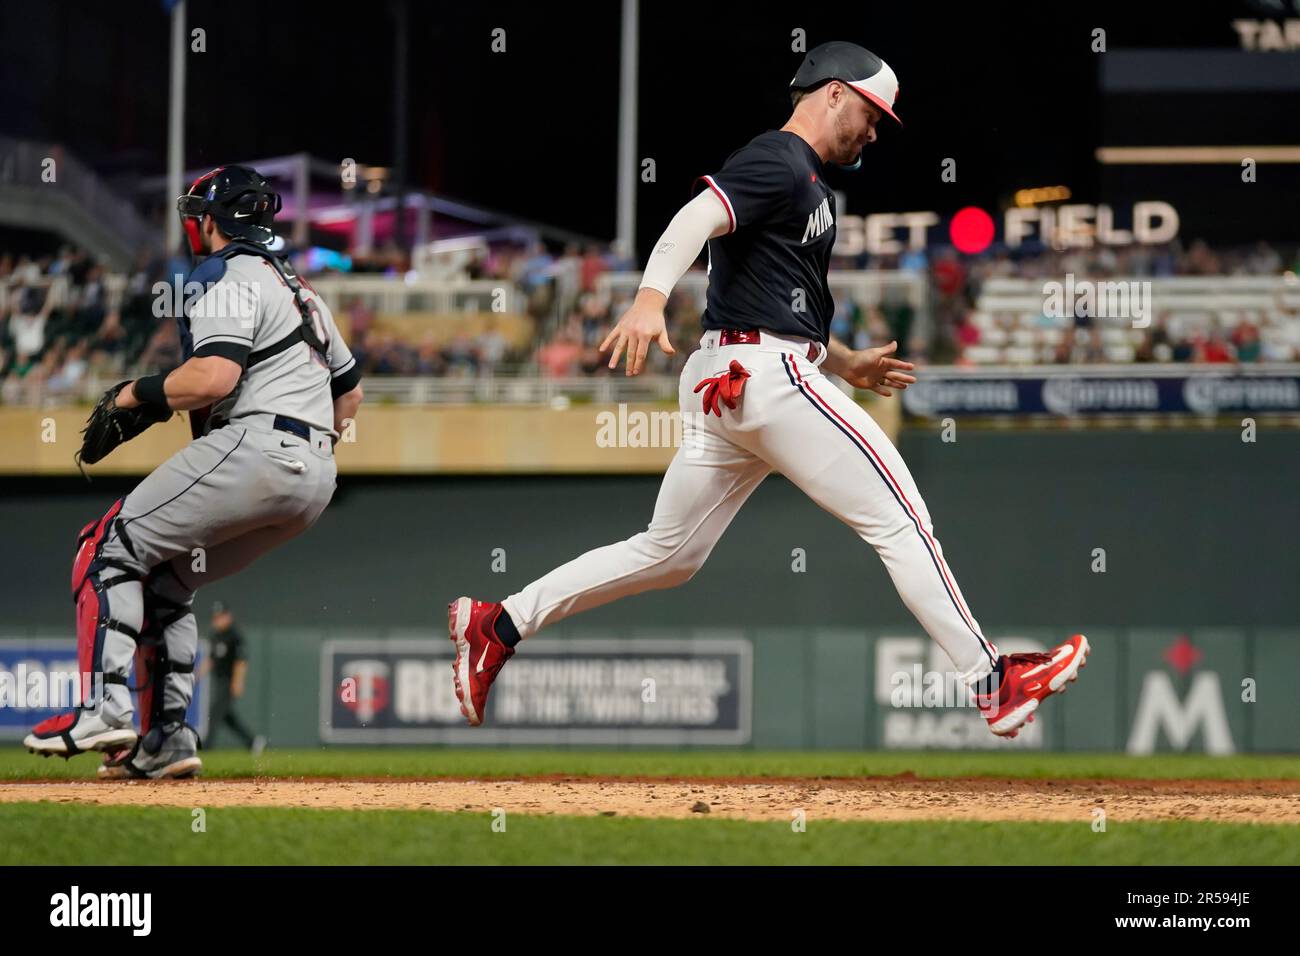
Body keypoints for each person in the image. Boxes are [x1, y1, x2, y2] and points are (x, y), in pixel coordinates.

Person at [447, 41, 1088, 736]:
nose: (875, 131)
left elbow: (773, 303)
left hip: (734, 380)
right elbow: (695, 217)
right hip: (764, 380)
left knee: (668, 555)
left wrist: (842, 363)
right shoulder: (778, 158)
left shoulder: (808, 183)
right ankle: (992, 681)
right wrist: (649, 299)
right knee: (901, 520)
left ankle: (499, 624)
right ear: (834, 91)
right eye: (873, 113)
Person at [25, 165, 363, 778]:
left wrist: (133, 393)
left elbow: (213, 379)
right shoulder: (301, 289)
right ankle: (168, 741)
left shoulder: (225, 274)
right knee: (163, 584)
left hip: (261, 445)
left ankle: (102, 709)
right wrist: (306, 447)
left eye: (196, 215)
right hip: (314, 476)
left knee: (103, 550)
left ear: (209, 221)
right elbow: (351, 395)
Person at [198, 601, 266, 754]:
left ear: (228, 616)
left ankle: (206, 746)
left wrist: (238, 682)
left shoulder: (234, 635)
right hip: (219, 679)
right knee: (227, 717)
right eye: (216, 617)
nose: (218, 620)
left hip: (229, 681)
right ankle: (253, 741)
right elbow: (211, 659)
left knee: (215, 712)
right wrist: (197, 675)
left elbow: (240, 662)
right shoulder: (214, 635)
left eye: (221, 616)